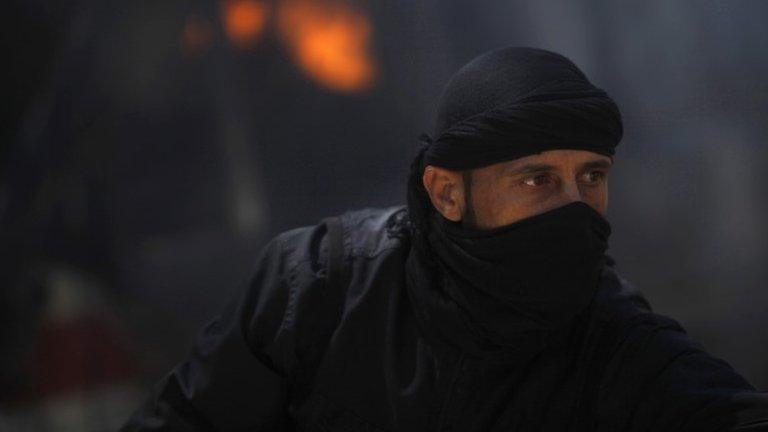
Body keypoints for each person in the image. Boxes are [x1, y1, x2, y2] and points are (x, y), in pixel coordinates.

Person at [121, 46, 768, 431]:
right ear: (447, 192)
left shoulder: (614, 342)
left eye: (591, 176)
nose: (575, 207)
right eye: (537, 179)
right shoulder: (316, 289)